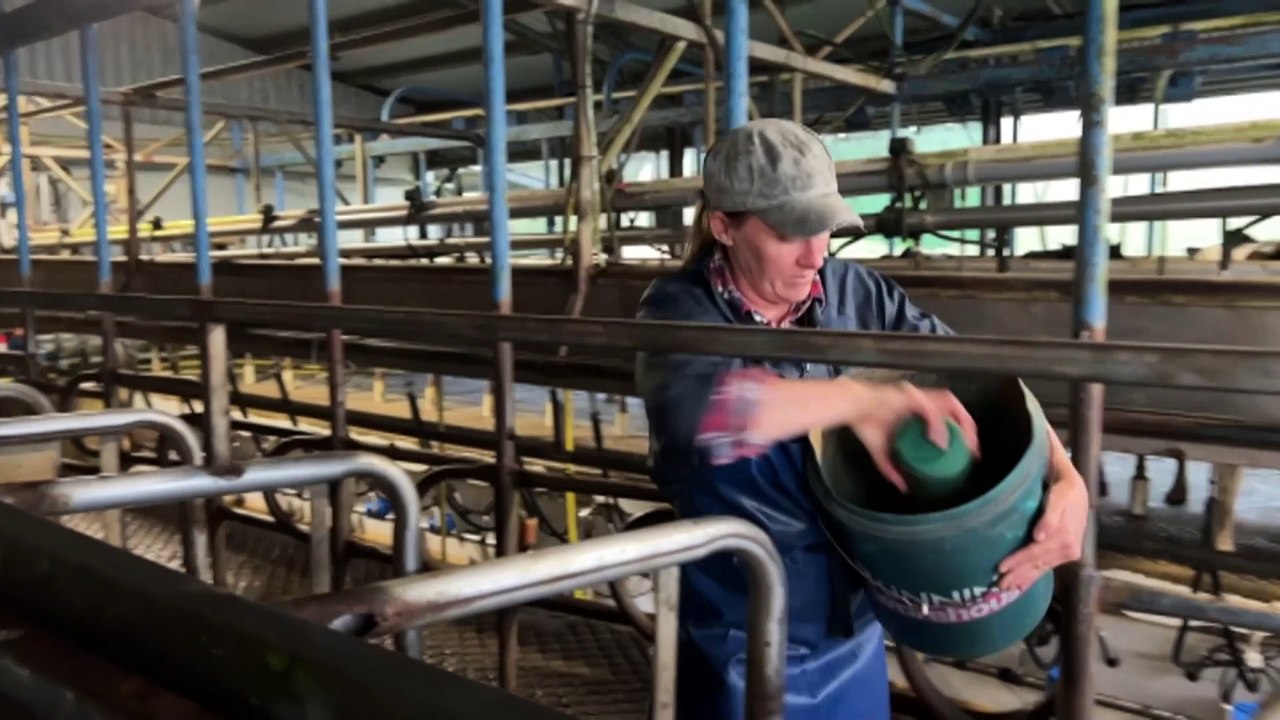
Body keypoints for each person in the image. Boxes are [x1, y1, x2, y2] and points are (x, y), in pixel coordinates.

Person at [635, 118, 1089, 720]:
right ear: (724, 226)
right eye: (788, 232)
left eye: (823, 228)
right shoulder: (678, 311)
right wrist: (863, 399)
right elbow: (702, 413)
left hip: (854, 628)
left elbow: (980, 379)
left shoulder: (858, 296)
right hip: (738, 639)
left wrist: (1064, 474)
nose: (814, 255)